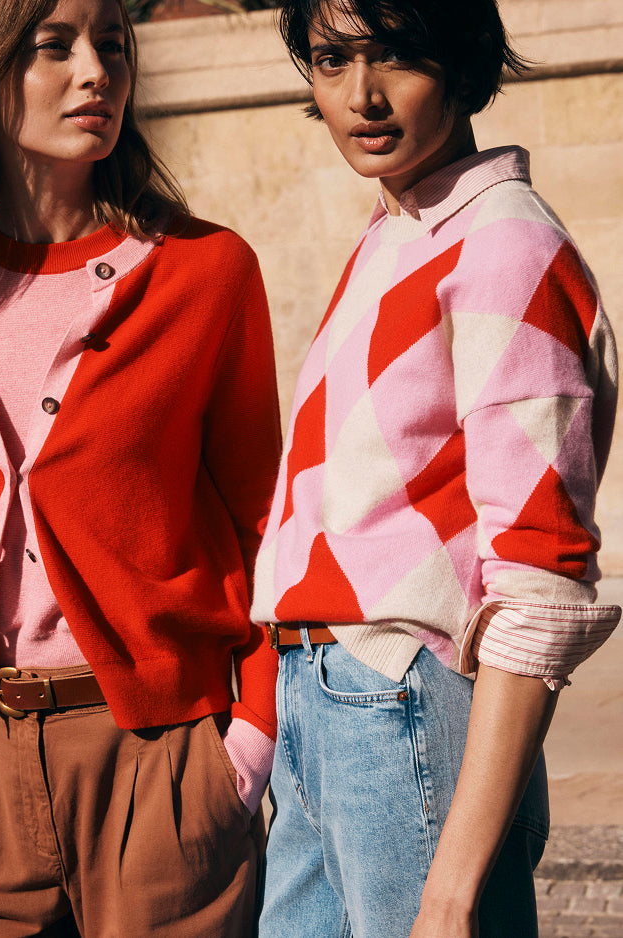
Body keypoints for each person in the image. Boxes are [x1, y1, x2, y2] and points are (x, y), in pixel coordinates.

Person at [0, 0, 282, 934]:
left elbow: (264, 519)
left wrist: (245, 746)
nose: (96, 72)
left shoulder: (205, 273)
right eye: (54, 46)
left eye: (112, 44)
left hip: (161, 764)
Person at [250, 0, 620, 935]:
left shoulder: (504, 247)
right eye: (333, 61)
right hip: (323, 702)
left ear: (462, 63)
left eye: (399, 57)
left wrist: (450, 891)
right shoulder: (398, 234)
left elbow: (540, 576)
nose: (362, 97)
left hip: (402, 701)